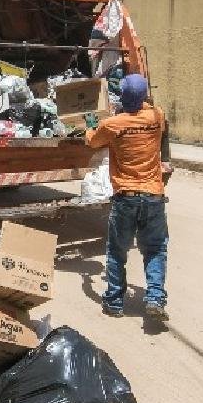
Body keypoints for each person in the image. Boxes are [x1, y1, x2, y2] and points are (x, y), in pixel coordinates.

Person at [85, 73, 173, 321]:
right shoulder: (157, 117)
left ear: (122, 96)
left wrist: (91, 124)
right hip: (154, 196)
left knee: (116, 252)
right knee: (155, 249)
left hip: (126, 197)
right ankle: (155, 297)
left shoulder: (113, 124)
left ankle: (114, 302)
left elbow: (92, 142)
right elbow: (154, 114)